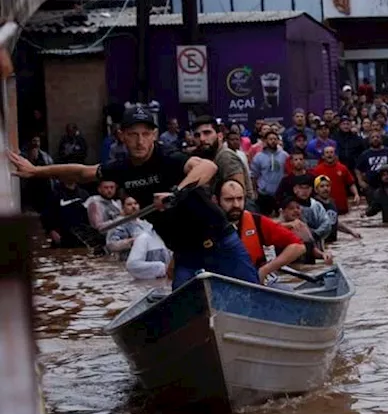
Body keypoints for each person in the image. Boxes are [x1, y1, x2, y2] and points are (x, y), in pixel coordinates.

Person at [8, 106, 257, 289]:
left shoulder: (169, 158)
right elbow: (81, 172)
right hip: (185, 254)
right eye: (133, 134)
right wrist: (36, 171)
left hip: (220, 242)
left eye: (146, 134)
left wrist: (176, 193)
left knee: (254, 298)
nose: (140, 141)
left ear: (154, 135)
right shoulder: (121, 168)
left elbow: (207, 168)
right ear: (122, 136)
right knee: (188, 312)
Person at [217, 180, 306, 283]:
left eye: (240, 199)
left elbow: (298, 246)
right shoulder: (205, 225)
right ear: (216, 200)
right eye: (229, 200)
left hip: (253, 284)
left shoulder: (256, 221)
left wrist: (265, 269)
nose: (236, 204)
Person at [192, 116, 249, 195]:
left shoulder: (225, 157)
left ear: (220, 136)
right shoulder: (206, 156)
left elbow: (237, 196)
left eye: (207, 133)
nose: (202, 139)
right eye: (197, 135)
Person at [310, 145, 359, 214]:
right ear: (323, 156)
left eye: (331, 152)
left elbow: (351, 183)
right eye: (327, 152)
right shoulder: (317, 170)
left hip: (341, 205)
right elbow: (313, 187)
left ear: (335, 155)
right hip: (324, 206)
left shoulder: (342, 168)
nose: (329, 154)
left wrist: (356, 194)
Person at [250, 130, 289, 215]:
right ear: (265, 141)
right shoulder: (258, 157)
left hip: (280, 193)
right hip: (264, 194)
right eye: (270, 139)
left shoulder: (285, 155)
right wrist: (254, 191)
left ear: (278, 141)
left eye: (275, 139)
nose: (273, 141)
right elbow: (253, 176)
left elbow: (288, 173)